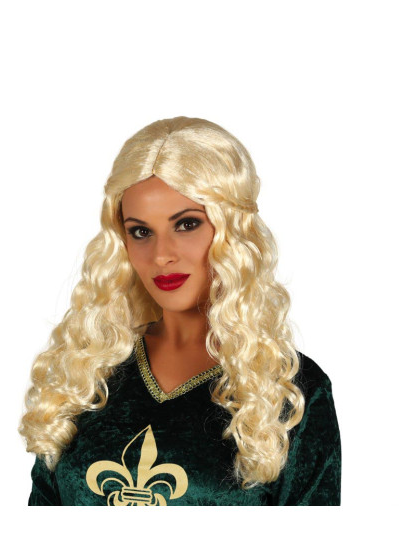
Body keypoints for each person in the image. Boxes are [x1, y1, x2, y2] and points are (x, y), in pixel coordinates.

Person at [19, 116, 341, 506]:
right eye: (141, 231)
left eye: (186, 224)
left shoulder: (288, 389)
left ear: (232, 232)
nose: (161, 255)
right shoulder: (83, 371)